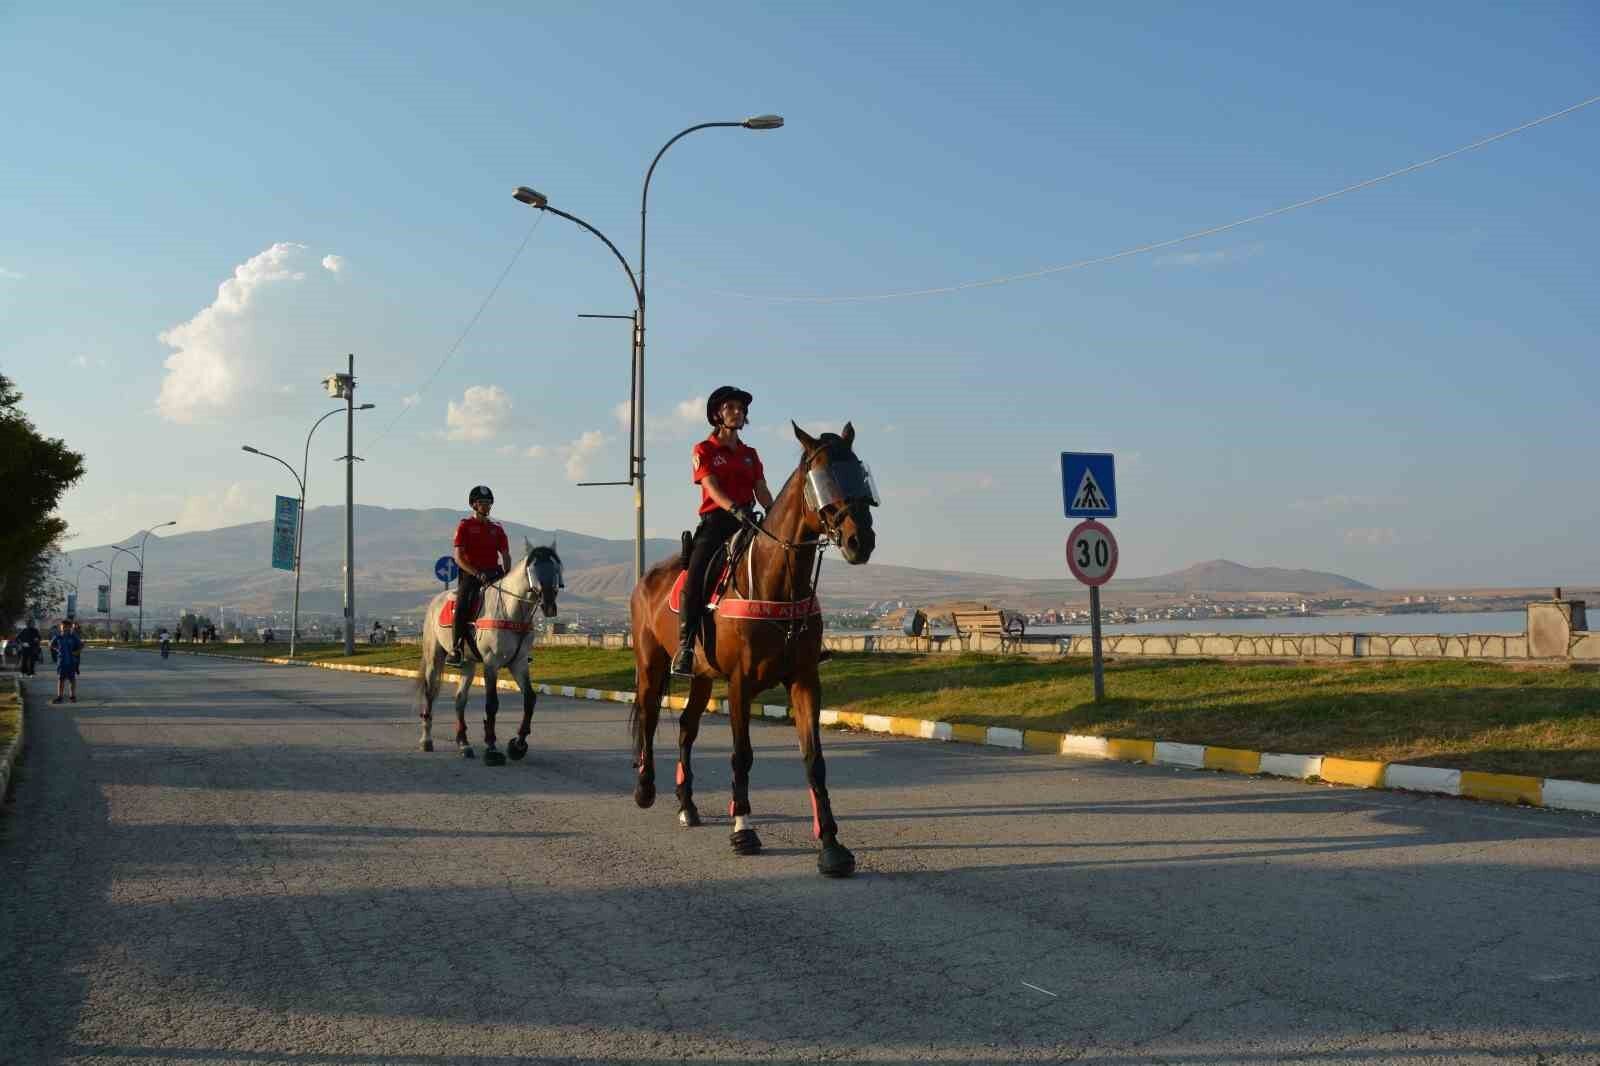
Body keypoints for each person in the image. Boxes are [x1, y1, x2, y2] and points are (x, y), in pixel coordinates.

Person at [674, 385, 774, 676]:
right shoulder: (703, 450)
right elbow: (711, 488)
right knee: (696, 578)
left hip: (749, 522)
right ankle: (686, 646)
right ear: (717, 414)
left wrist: (774, 513)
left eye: (741, 409)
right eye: (731, 408)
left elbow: (762, 490)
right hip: (717, 523)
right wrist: (734, 508)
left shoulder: (750, 455)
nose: (738, 412)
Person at [446, 485, 512, 666]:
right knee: (462, 605)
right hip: (471, 574)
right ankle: (456, 647)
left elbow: (505, 555)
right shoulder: (464, 526)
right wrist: (476, 573)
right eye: (482, 503)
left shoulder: (497, 528)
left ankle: (516, 648)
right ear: (474, 505)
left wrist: (507, 575)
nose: (486, 506)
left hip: (495, 574)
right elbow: (458, 558)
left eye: (488, 503)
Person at [52, 619, 83, 704]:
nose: (65, 628)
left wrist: (76, 652)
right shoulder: (58, 637)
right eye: (63, 626)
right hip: (61, 662)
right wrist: (57, 649)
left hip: (72, 662)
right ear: (60, 627)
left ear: (69, 627)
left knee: (72, 679)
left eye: (66, 626)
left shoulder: (73, 637)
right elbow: (51, 645)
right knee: (60, 679)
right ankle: (59, 697)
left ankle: (72, 696)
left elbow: (80, 646)